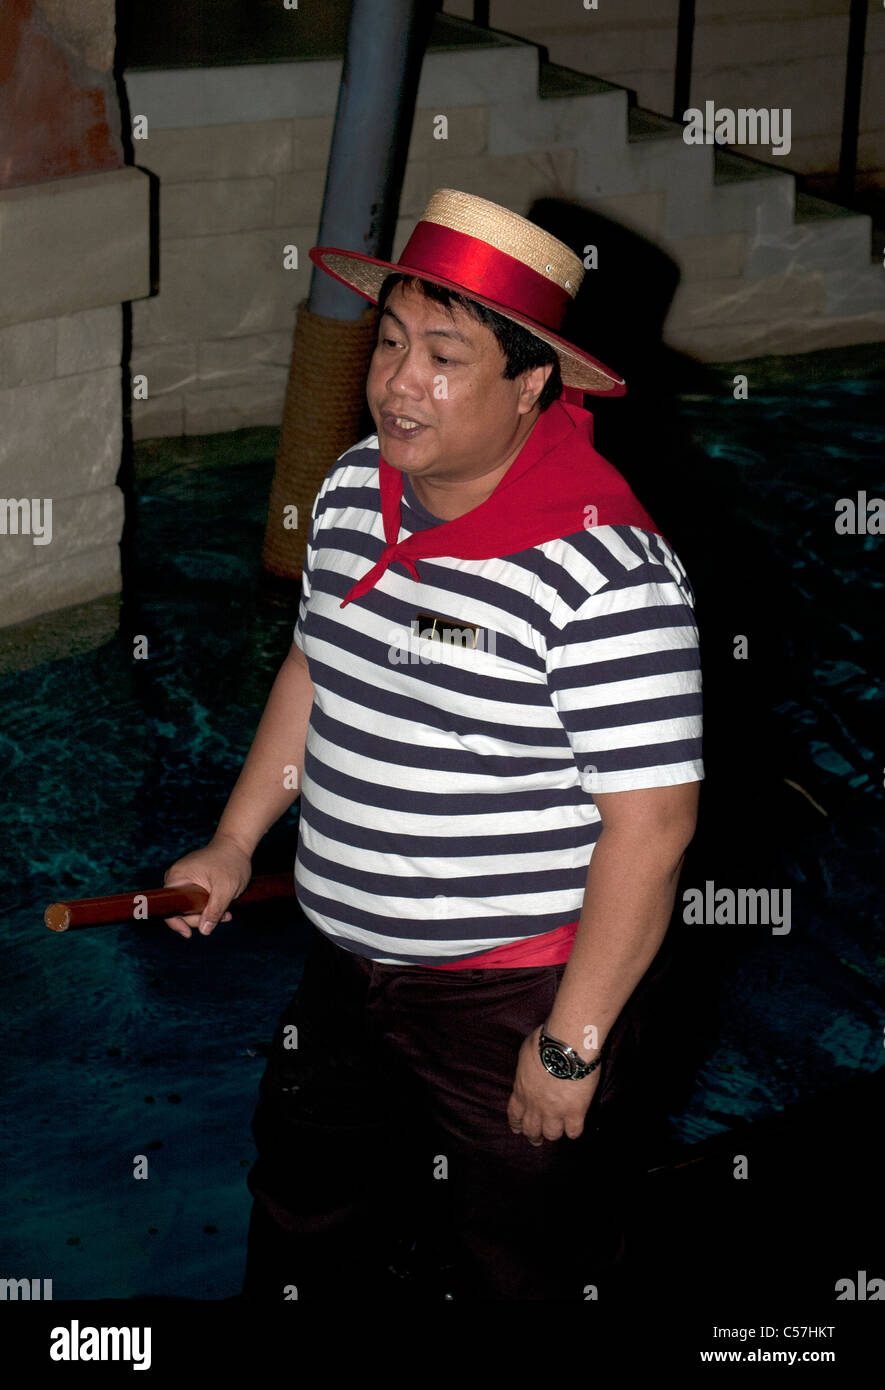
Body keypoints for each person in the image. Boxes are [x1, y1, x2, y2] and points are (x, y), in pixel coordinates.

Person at [163, 188, 703, 1302]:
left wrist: (571, 1044)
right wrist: (234, 838)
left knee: (531, 1263)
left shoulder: (609, 576)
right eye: (394, 340)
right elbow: (317, 666)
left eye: (445, 356)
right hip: (346, 972)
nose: (400, 381)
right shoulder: (359, 483)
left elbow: (652, 833)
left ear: (532, 384)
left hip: (515, 996)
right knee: (304, 1214)